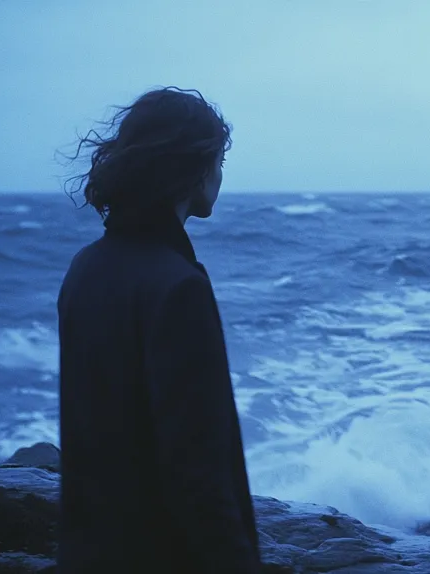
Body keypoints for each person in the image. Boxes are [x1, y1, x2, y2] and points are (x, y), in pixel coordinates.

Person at [55, 87, 261, 573]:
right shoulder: (177, 286)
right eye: (217, 158)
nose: (220, 174)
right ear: (193, 168)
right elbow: (197, 474)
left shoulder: (85, 268)